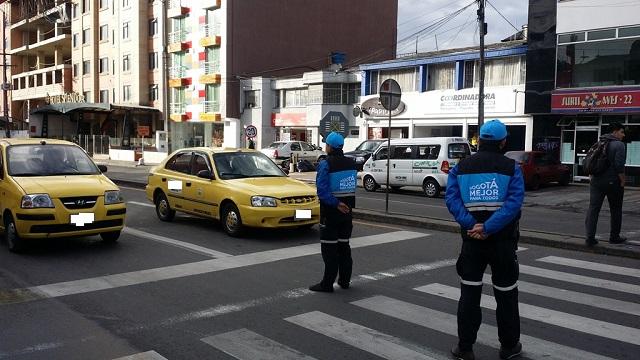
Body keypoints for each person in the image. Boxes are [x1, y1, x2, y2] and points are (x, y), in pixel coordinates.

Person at [445, 119, 525, 360]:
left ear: (479, 140)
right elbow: (514, 204)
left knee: (469, 296)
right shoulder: (513, 168)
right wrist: (489, 227)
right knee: (507, 295)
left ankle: (465, 348)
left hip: (472, 243)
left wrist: (473, 225)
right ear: (503, 142)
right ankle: (509, 347)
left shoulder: (460, 168)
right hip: (503, 243)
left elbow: (452, 200)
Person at [309, 132, 357, 293]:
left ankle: (327, 284)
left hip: (331, 213)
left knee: (329, 250)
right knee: (344, 248)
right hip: (347, 213)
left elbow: (322, 191)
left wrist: (336, 204)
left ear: (329, 146)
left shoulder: (326, 164)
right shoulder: (352, 163)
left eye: (326, 144)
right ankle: (344, 281)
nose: (325, 146)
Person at [585, 122, 627, 246]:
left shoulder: (599, 142)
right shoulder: (619, 145)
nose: (623, 135)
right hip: (613, 182)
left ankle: (590, 238)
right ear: (615, 132)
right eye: (621, 131)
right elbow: (619, 165)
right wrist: (623, 180)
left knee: (593, 209)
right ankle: (614, 237)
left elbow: (590, 160)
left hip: (596, 181)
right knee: (616, 209)